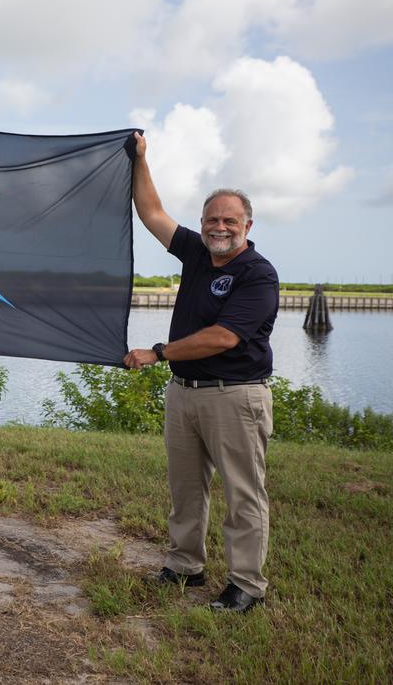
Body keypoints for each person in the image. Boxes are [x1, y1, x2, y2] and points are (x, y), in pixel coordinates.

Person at [124, 132, 278, 614]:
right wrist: (140, 160)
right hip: (185, 393)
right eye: (212, 219)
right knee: (185, 487)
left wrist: (158, 352)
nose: (219, 227)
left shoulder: (258, 273)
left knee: (242, 494)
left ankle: (246, 586)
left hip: (235, 397)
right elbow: (151, 212)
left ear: (247, 224)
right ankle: (184, 566)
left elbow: (224, 336)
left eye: (229, 220)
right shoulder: (195, 252)